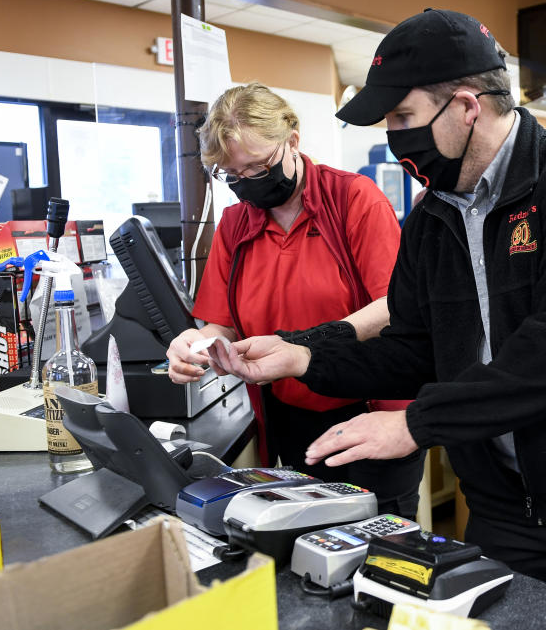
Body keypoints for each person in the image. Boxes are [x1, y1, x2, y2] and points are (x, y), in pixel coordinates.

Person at [211, 11, 546, 629]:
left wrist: (417, 425)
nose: (396, 139)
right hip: (504, 502)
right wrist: (306, 357)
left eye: (402, 118)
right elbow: (415, 346)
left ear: (467, 106)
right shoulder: (432, 218)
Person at [166, 82, 425, 519]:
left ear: (293, 141)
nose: (248, 184)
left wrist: (305, 345)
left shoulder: (353, 199)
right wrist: (194, 344)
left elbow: (393, 305)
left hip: (365, 412)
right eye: (234, 176)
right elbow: (220, 323)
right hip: (286, 415)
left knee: (378, 552)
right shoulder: (235, 224)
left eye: (259, 166)